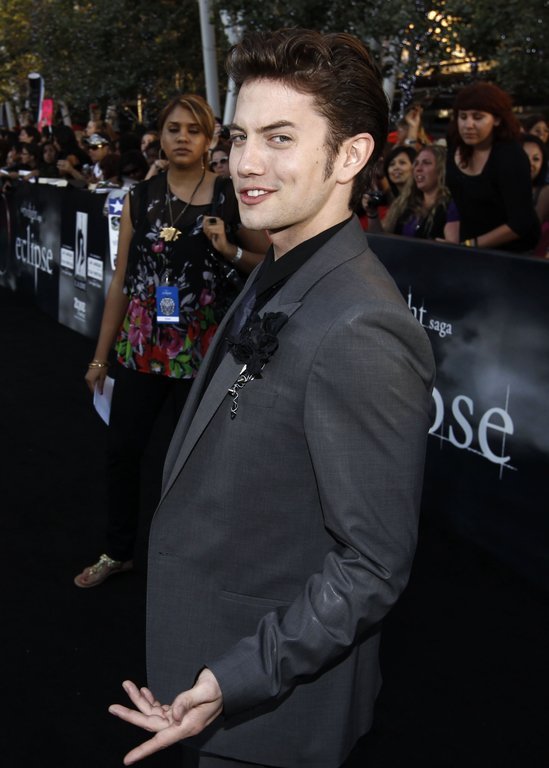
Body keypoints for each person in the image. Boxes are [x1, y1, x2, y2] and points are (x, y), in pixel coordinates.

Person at [108, 28, 435, 768]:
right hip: (214, 661)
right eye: (240, 137)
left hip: (269, 714)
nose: (245, 163)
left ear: (350, 156)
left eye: (280, 138)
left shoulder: (362, 325)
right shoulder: (280, 261)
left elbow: (372, 566)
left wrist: (236, 678)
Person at [74, 93, 267, 589]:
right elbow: (121, 281)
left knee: (198, 463)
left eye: (193, 130)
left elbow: (269, 264)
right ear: (160, 136)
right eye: (174, 129)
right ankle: (118, 552)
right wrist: (100, 357)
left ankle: (195, 561)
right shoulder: (140, 197)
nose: (182, 137)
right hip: (143, 346)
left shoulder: (229, 194)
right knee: (122, 451)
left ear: (210, 139)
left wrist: (228, 248)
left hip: (205, 351)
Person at [446, 82, 540, 251]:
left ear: (497, 119)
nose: (468, 125)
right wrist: (454, 241)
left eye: (477, 117)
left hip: (510, 253)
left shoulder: (510, 156)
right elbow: (457, 202)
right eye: (463, 117)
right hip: (468, 247)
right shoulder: (455, 147)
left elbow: (521, 222)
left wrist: (471, 245)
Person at [369, 144, 460, 241]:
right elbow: (382, 239)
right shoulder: (405, 204)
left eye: (426, 163)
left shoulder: (451, 206)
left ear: (442, 168)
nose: (418, 168)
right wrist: (372, 213)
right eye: (416, 163)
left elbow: (451, 246)